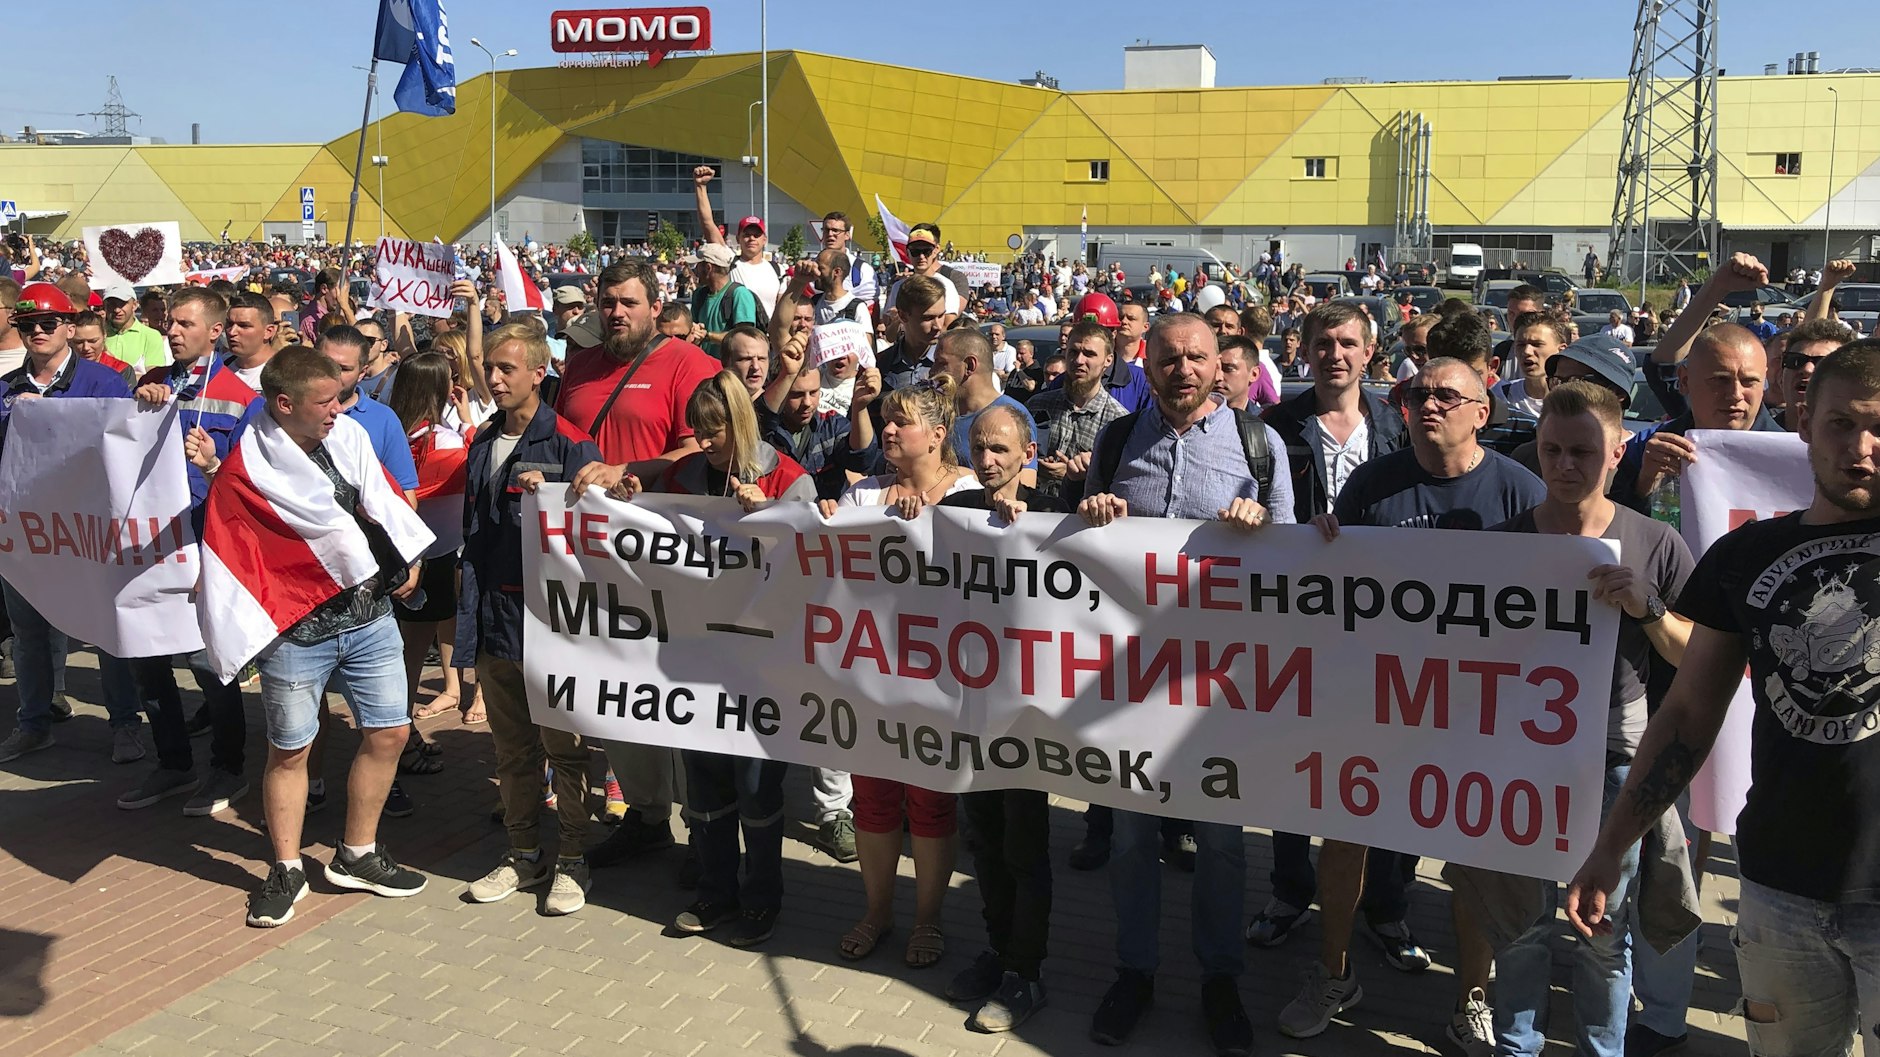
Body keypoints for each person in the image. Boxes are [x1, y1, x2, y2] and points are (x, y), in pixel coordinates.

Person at [1567, 339, 1880, 1057]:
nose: (1860, 448)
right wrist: (1611, 845)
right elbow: (1686, 713)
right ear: (1803, 422)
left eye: (1879, 427)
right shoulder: (1746, 556)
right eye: (1841, 424)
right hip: (1779, 891)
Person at [1285, 357, 1545, 1052]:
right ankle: (1334, 973)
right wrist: (1321, 547)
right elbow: (1329, 585)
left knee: (1474, 854)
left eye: (1447, 395)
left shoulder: (1521, 490)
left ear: (1482, 410)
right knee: (1343, 840)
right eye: (1417, 394)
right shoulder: (1373, 482)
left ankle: (1471, 997)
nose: (1429, 404)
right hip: (1375, 698)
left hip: (1479, 709)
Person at [1077, 312, 1292, 1057]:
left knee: (1222, 843)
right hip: (1131, 683)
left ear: (1220, 364)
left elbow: (1295, 560)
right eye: (1169, 358)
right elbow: (1082, 560)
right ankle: (1134, 970)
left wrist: (1262, 522)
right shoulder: (1115, 440)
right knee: (1131, 837)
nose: (1184, 370)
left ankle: (1219, 978)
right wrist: (1094, 511)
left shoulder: (1260, 446)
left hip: (1218, 691)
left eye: (1197, 357)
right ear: (1149, 362)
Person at [1484, 381, 1695, 1057]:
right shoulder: (1503, 542)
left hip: (1615, 756)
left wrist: (1650, 608)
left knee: (1603, 928)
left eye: (1582, 451)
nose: (1565, 465)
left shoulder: (1655, 542)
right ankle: (1517, 1044)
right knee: (1519, 923)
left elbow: (1704, 655)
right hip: (1518, 751)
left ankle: (1603, 1050)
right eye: (1551, 450)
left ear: (1615, 452)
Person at [195, 347, 430, 927]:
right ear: (284, 404)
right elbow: (235, 557)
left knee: (390, 733)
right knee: (291, 749)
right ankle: (285, 866)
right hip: (298, 633)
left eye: (338, 397)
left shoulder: (349, 437)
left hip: (370, 616)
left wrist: (407, 550)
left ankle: (358, 854)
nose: (336, 409)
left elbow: (383, 499)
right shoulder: (245, 470)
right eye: (324, 401)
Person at [610, 371, 813, 941]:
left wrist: (768, 518)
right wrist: (624, 492)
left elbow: (810, 566)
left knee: (756, 785)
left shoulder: (788, 479)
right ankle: (715, 891)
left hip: (762, 663)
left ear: (741, 424)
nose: (703, 441)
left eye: (714, 431)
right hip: (696, 659)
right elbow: (649, 520)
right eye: (696, 431)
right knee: (704, 783)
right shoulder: (686, 474)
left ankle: (763, 895)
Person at [1253, 300, 1410, 953]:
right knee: (1298, 764)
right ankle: (1291, 892)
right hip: (1300, 624)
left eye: (1348, 342)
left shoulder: (1397, 427)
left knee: (1391, 767)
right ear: (1305, 350)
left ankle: (1387, 903)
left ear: (1368, 352)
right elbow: (1252, 512)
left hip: (1386, 629)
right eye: (1324, 342)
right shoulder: (1272, 426)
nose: (1335, 354)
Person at [560, 260, 722, 869]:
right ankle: (647, 816)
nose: (616, 313)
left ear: (656, 307)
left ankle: (702, 830)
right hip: (590, 560)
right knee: (617, 695)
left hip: (663, 556)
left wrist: (632, 473)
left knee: (671, 694)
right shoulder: (578, 367)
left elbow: (707, 442)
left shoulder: (687, 364)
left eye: (629, 302)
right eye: (608, 302)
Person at [816, 376, 979, 969]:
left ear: (937, 435)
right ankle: (878, 910)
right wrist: (825, 520)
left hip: (944, 683)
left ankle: (929, 918)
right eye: (885, 420)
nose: (886, 429)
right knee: (875, 801)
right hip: (874, 679)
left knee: (932, 805)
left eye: (901, 421)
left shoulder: (972, 493)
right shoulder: (863, 499)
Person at [459, 325, 603, 917]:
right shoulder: (482, 440)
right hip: (493, 615)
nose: (493, 378)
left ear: (538, 373)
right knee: (511, 749)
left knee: (563, 748)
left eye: (506, 369)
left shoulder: (572, 444)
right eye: (490, 368)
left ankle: (572, 856)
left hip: (551, 624)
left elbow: (598, 538)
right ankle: (523, 852)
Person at [117, 288, 257, 815]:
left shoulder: (242, 397)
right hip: (147, 547)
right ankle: (173, 762)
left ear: (215, 331)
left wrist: (213, 464)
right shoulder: (150, 384)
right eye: (169, 323)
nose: (171, 331)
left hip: (203, 548)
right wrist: (141, 403)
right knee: (147, 659)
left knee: (207, 664)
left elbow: (249, 486)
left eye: (184, 323)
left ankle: (228, 767)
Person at [0, 282, 147, 766]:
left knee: (104, 628)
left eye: (46, 323)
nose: (36, 332)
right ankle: (33, 723)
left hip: (88, 534)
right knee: (30, 633)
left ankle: (126, 724)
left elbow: (127, 452)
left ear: (68, 326)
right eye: (26, 325)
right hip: (27, 536)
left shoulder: (103, 384)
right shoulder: (5, 389)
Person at [937, 405, 1050, 1032]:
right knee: (983, 837)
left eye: (1002, 449)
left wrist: (1036, 527)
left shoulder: (1054, 513)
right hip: (967, 707)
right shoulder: (957, 513)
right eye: (979, 448)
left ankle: (1027, 972)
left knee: (1025, 845)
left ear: (1028, 451)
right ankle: (999, 948)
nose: (989, 460)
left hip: (1027, 715)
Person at [383, 352, 470, 808]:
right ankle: (397, 740)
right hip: (432, 556)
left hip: (407, 554)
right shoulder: (444, 440)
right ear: (439, 389)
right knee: (409, 658)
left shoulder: (390, 428)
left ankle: (400, 735)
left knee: (407, 654)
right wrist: (470, 420)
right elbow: (478, 468)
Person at [1026, 320, 1129, 510]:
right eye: (1073, 352)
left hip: (1079, 526)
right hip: (1030, 516)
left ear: (1108, 360)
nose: (1079, 360)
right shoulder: (1037, 405)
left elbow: (1120, 488)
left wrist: (1075, 475)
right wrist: (1032, 465)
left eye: (1089, 354)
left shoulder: (1118, 423)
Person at [928, 327, 1041, 468]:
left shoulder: (1013, 416)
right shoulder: (935, 413)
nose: (932, 371)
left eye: (941, 363)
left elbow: (1025, 483)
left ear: (969, 365)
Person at [693, 165, 781, 317]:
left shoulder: (777, 269)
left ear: (764, 239)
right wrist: (700, 186)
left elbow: (781, 310)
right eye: (747, 234)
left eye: (756, 234)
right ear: (738, 238)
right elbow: (708, 224)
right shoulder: (730, 262)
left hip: (766, 339)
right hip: (737, 337)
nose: (751, 238)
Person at [1774, 318, 1855, 432]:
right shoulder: (1752, 438)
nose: (1807, 369)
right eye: (1796, 360)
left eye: (1822, 363)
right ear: (1781, 375)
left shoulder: (1865, 445)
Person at [686, 243, 759, 358]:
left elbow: (744, 337)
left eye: (698, 266)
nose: (695, 271)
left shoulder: (740, 294)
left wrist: (708, 336)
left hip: (729, 372)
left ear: (708, 268)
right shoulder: (699, 294)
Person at [1497, 311, 1572, 417]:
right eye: (1521, 345)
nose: (1527, 351)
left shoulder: (1576, 401)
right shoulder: (1500, 395)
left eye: (1537, 344)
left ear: (1561, 350)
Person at [101, 281, 168, 373]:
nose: (117, 309)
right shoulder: (97, 335)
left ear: (134, 305)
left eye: (122, 304)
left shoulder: (151, 336)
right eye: (112, 304)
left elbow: (154, 377)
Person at [70, 311, 136, 386]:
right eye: (79, 342)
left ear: (104, 336)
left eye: (93, 341)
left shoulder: (121, 370)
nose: (86, 348)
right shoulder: (63, 369)